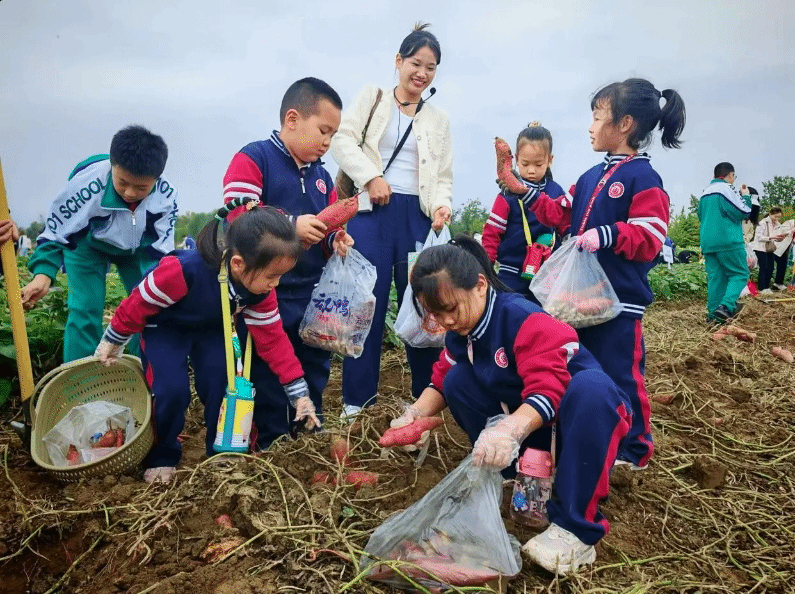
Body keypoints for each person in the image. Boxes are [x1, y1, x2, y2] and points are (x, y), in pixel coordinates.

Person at [390, 235, 631, 574]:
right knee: (458, 380)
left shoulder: (521, 318)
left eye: (450, 309)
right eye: (435, 314)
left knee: (592, 389)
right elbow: (441, 378)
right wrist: (414, 415)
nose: (445, 322)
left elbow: (548, 390)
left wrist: (508, 430)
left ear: (480, 285)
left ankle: (576, 528)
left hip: (578, 426)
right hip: (534, 428)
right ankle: (512, 477)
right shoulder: (463, 333)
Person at [499, 78, 684, 470]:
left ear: (624, 124)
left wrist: (607, 234)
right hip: (582, 301)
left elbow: (651, 236)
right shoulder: (588, 178)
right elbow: (560, 214)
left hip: (620, 302)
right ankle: (592, 440)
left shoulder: (642, 178)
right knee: (584, 371)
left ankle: (634, 451)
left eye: (598, 117)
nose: (590, 126)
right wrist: (522, 190)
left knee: (621, 374)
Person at [95, 204, 320, 484]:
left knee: (223, 383)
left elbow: (273, 341)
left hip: (214, 328)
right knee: (170, 390)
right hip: (166, 327)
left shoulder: (260, 292)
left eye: (281, 276)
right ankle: (162, 455)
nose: (276, 284)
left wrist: (299, 394)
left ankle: (222, 450)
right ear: (237, 264)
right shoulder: (183, 271)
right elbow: (138, 303)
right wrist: (114, 339)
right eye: (272, 276)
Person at [330, 22, 453, 420]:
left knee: (424, 307)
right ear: (399, 61)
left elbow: (443, 175)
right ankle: (356, 402)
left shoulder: (438, 119)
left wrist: (441, 205)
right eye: (416, 63)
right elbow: (342, 141)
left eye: (430, 67)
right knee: (366, 305)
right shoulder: (374, 96)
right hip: (372, 214)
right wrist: (371, 177)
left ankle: (424, 400)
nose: (422, 73)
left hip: (418, 219)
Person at [222, 77, 353, 446]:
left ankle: (309, 434)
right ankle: (273, 441)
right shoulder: (254, 159)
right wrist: (291, 225)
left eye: (333, 135)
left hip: (311, 293)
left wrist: (334, 241)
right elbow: (240, 215)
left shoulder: (323, 178)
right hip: (268, 292)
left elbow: (323, 232)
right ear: (293, 119)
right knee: (268, 371)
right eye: (323, 131)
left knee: (314, 366)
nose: (327, 142)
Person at [21, 125, 179, 362]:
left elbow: (161, 249)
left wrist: (161, 287)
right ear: (112, 166)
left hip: (138, 249)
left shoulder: (166, 196)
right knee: (85, 308)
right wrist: (43, 274)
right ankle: (80, 378)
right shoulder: (87, 186)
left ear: (156, 180)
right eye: (122, 182)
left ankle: (143, 369)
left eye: (141, 188)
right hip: (87, 246)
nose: (129, 193)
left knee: (151, 306)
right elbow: (56, 230)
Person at [481, 123, 565, 302]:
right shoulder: (507, 194)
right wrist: (485, 266)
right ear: (517, 160)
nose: (531, 170)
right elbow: (492, 233)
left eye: (539, 164)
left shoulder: (557, 192)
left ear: (550, 160)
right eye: (525, 164)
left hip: (547, 276)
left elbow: (564, 228)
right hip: (511, 275)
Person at [698, 162, 752, 318]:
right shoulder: (726, 189)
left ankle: (714, 317)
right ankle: (726, 306)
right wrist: (746, 196)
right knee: (740, 273)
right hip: (728, 240)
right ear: (730, 175)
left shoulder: (705, 193)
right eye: (734, 176)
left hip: (708, 242)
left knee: (716, 279)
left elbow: (701, 216)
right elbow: (744, 211)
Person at [752, 206, 790, 292]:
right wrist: (771, 237)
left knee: (770, 268)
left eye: (779, 217)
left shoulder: (775, 224)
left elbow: (775, 236)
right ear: (770, 214)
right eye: (775, 216)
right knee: (764, 268)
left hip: (769, 248)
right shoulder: (762, 223)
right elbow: (759, 237)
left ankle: (766, 287)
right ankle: (761, 288)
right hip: (760, 248)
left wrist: (780, 238)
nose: (777, 219)